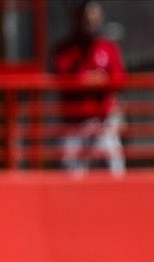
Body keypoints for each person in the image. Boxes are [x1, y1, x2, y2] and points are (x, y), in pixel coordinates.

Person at [51, 1, 126, 177]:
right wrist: (89, 78)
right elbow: (63, 78)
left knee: (115, 173)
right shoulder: (64, 49)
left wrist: (100, 80)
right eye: (87, 18)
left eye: (95, 18)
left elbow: (120, 79)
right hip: (74, 123)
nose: (91, 22)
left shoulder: (108, 48)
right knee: (71, 177)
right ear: (78, 19)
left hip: (102, 122)